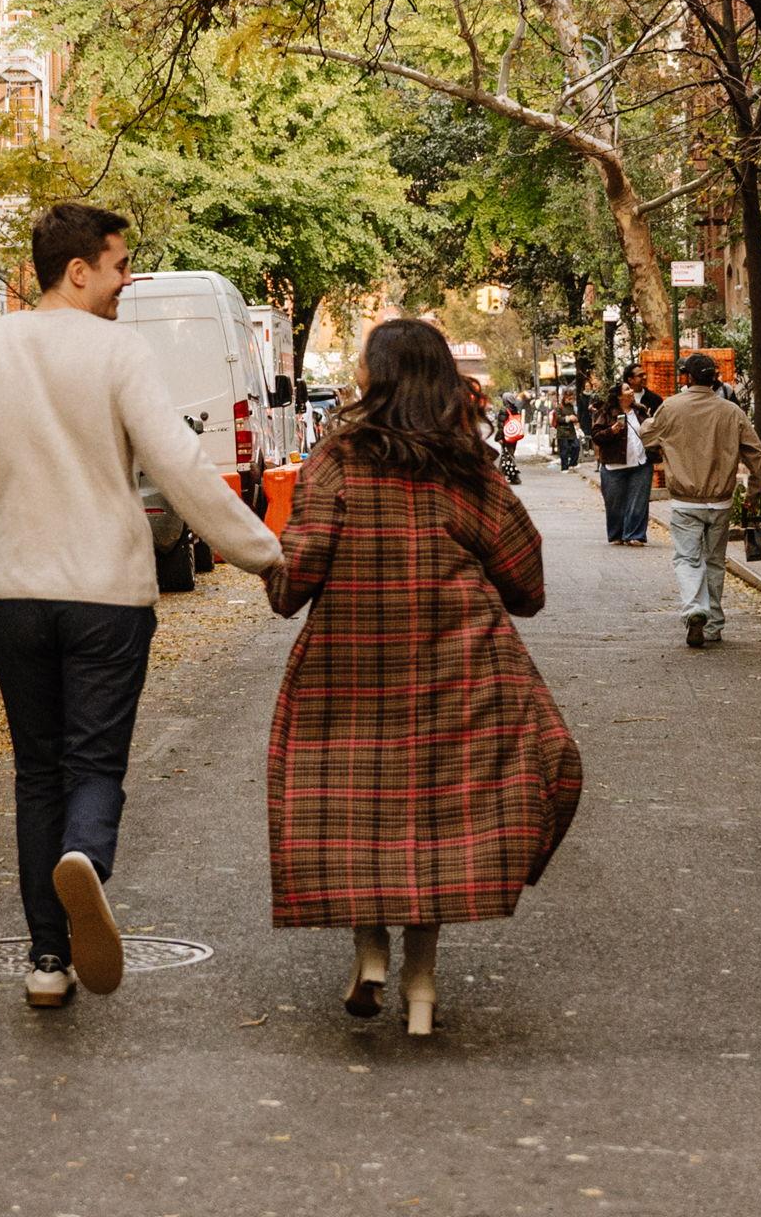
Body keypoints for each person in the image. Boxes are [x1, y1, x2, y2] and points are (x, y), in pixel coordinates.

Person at [0, 202, 282, 1012]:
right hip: (107, 597)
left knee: (37, 773)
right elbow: (182, 468)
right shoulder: (120, 354)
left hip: (15, 597)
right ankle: (85, 855)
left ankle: (48, 960)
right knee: (94, 764)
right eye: (120, 266)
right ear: (79, 269)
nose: (127, 281)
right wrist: (263, 554)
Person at [265, 318, 581, 1038]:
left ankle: (370, 955)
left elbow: (295, 577)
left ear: (376, 378)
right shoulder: (467, 468)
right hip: (458, 666)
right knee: (438, 813)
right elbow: (525, 580)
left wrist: (272, 564)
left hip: (348, 665)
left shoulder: (337, 459)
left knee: (361, 806)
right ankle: (422, 983)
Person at [640, 353, 761, 649]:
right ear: (714, 378)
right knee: (714, 561)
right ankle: (713, 624)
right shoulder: (732, 412)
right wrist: (754, 491)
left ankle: (695, 609)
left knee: (687, 558)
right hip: (720, 501)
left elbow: (647, 437)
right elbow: (757, 453)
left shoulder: (671, 407)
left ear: (687, 377)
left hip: (685, 501)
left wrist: (656, 432)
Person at [590, 382, 652, 545]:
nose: (631, 391)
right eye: (627, 389)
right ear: (619, 396)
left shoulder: (640, 411)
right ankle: (617, 534)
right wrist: (612, 430)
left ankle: (635, 535)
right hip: (614, 464)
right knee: (614, 503)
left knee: (638, 502)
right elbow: (596, 436)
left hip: (640, 463)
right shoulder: (606, 413)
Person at [554, 401, 581, 472]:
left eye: (572, 398)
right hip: (562, 431)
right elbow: (558, 419)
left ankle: (572, 463)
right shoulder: (559, 407)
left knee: (576, 446)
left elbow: (575, 416)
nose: (570, 400)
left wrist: (575, 419)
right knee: (564, 450)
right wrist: (568, 418)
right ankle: (564, 467)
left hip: (571, 431)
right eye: (569, 398)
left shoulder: (571, 407)